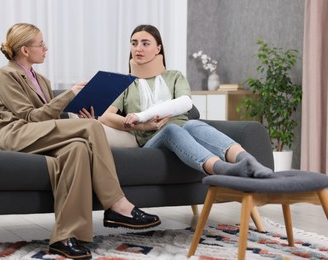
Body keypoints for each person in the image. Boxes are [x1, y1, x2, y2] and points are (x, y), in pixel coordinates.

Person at [0, 23, 160, 260]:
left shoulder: (40, 79)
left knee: (78, 148)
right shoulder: (7, 73)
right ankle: (116, 204)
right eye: (41, 44)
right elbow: (29, 117)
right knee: (92, 127)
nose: (46, 48)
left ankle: (65, 238)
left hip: (36, 133)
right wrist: (69, 96)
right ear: (25, 50)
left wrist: (79, 115)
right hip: (16, 135)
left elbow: (48, 117)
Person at [99, 24, 273, 178]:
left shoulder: (174, 76)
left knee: (192, 125)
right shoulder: (125, 83)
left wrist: (141, 115)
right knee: (172, 130)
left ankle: (248, 161)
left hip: (185, 128)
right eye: (134, 43)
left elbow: (185, 103)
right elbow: (105, 117)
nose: (138, 48)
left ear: (158, 48)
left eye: (145, 44)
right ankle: (223, 169)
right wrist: (141, 125)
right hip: (152, 139)